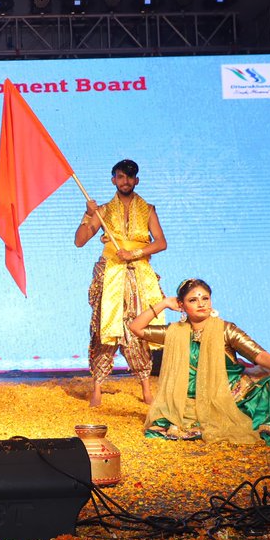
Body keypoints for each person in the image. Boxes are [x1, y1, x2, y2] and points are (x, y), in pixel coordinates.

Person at [130, 278, 270, 446]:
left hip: (234, 396)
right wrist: (163, 303)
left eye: (205, 298)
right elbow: (136, 328)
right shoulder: (174, 333)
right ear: (181, 305)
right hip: (190, 403)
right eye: (193, 300)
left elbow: (259, 355)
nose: (201, 304)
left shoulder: (225, 329)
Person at [74, 160, 166, 406]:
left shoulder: (148, 209)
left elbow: (160, 243)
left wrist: (134, 254)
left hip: (138, 276)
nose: (125, 181)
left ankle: (146, 388)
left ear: (137, 180)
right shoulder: (103, 211)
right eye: (120, 177)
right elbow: (80, 241)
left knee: (139, 327)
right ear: (113, 179)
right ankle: (97, 389)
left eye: (130, 177)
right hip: (111, 274)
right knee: (105, 327)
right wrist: (89, 214)